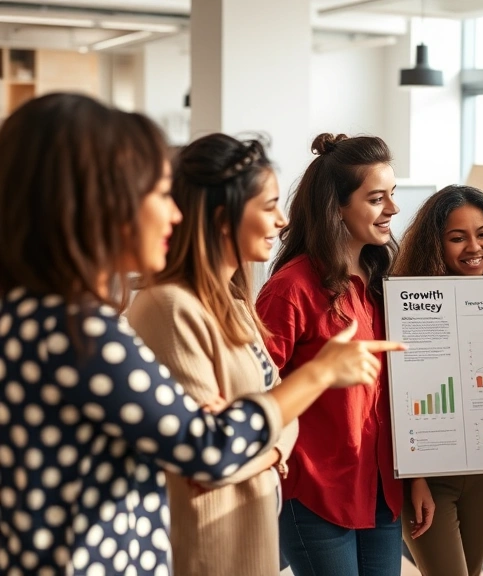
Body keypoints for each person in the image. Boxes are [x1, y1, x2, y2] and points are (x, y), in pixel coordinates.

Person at [0, 94, 403, 575]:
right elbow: (210, 449)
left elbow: (246, 424)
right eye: (154, 194)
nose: (173, 216)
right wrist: (313, 379)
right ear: (93, 203)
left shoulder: (38, 318)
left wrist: (258, 426)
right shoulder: (80, 329)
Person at [256, 133, 434, 575]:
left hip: (380, 486)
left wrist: (414, 476)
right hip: (315, 489)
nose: (393, 209)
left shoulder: (384, 282)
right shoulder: (290, 289)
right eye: (377, 198)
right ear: (336, 206)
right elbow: (255, 388)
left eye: (392, 195)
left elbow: (396, 393)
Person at [126, 134, 298, 576]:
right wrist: (266, 433)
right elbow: (210, 462)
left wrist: (258, 439)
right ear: (224, 218)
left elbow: (288, 419)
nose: (281, 220)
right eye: (268, 206)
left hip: (251, 533)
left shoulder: (237, 305)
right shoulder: (169, 308)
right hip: (208, 550)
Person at [392, 184, 483, 576]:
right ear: (435, 244)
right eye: (457, 238)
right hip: (429, 475)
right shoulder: (407, 304)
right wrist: (414, 477)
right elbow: (402, 394)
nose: (474, 247)